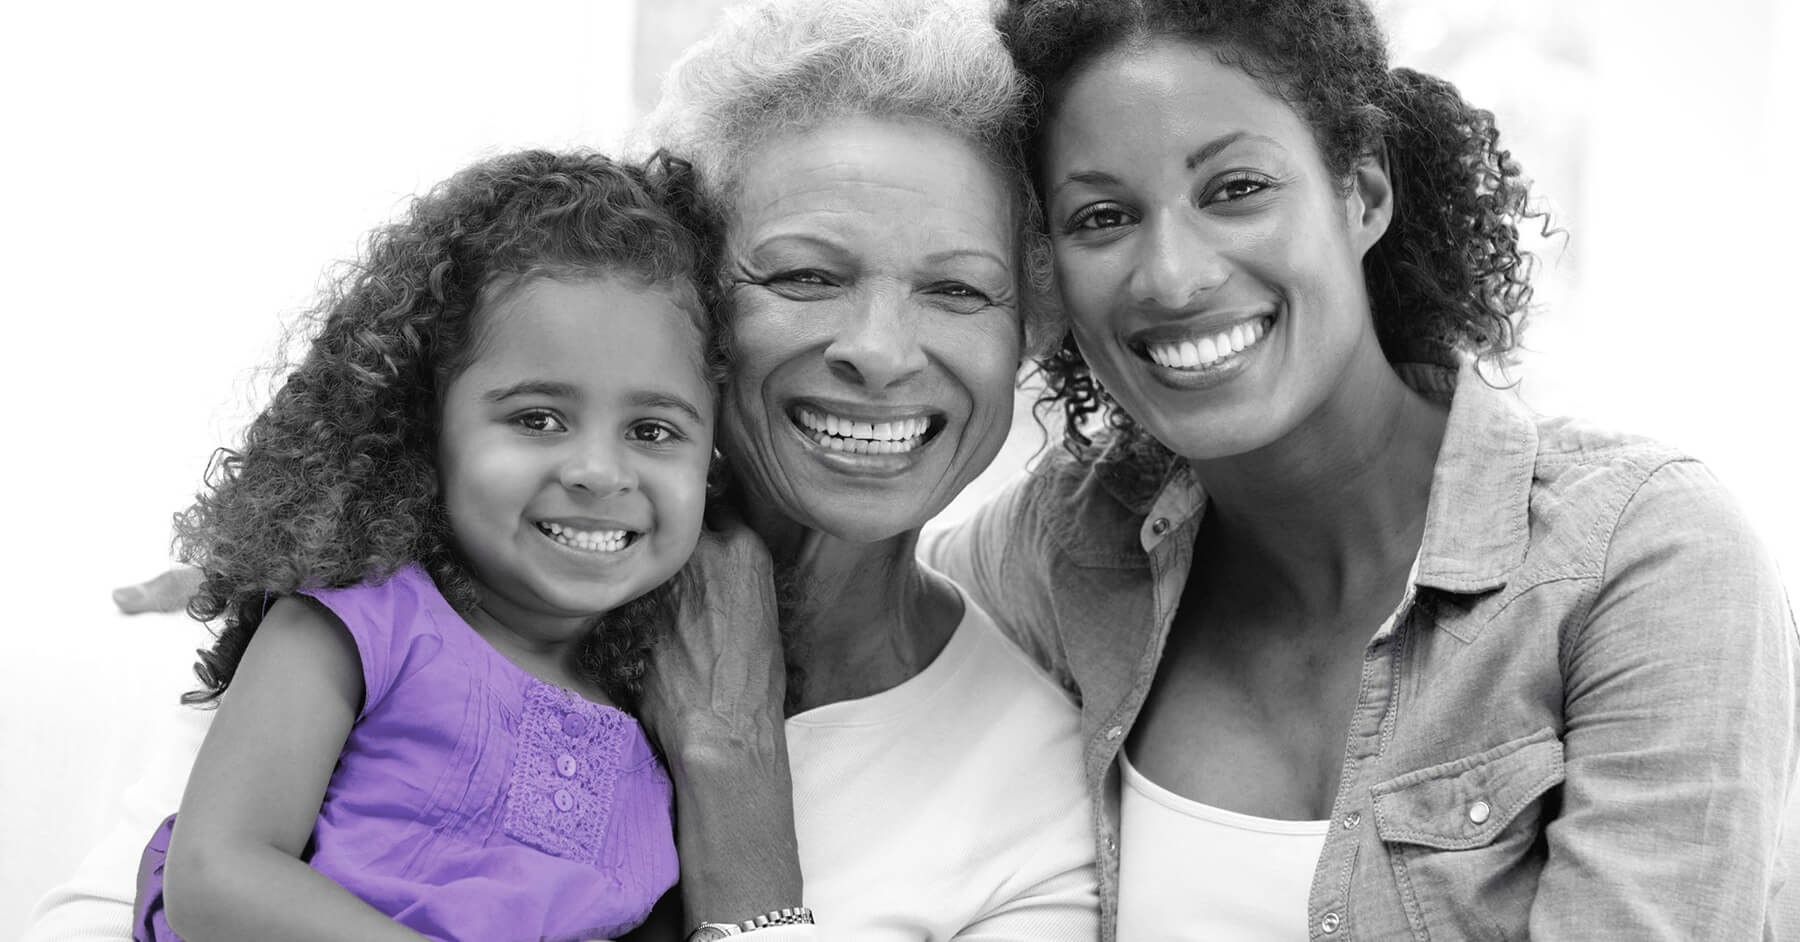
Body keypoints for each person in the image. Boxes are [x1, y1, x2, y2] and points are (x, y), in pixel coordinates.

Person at [24, 2, 1099, 941]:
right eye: (806, 274)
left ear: (1029, 328)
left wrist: (738, 802)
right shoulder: (417, 588)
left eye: (958, 291)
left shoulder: (1024, 775)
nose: (880, 348)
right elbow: (122, 907)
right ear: (683, 298)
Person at [923, 0, 1800, 939]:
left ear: (1364, 193)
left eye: (1235, 188)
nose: (1172, 278)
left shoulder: (1641, 560)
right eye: (1101, 216)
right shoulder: (1059, 551)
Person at [130, 149, 722, 942]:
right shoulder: (357, 624)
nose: (596, 471)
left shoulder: (662, 710)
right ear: (424, 428)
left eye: (653, 431)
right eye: (537, 418)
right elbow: (216, 876)